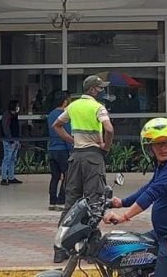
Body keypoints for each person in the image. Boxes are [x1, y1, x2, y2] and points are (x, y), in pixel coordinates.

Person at [104, 118, 167, 277]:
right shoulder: (163, 166)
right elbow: (148, 187)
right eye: (158, 144)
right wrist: (121, 202)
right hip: (160, 233)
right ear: (149, 148)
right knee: (127, 250)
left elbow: (152, 193)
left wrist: (124, 216)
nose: (163, 148)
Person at [53, 75, 116, 263]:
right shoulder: (98, 107)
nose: (102, 91)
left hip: (75, 158)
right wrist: (106, 147)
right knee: (94, 202)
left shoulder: (72, 106)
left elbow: (57, 125)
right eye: (100, 88)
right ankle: (91, 248)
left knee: (71, 203)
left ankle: (59, 248)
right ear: (92, 90)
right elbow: (109, 129)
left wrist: (72, 140)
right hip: (93, 158)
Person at [46, 91, 71, 211]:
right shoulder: (64, 115)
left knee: (55, 177)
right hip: (62, 149)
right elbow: (66, 133)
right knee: (67, 175)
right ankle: (61, 200)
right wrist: (71, 148)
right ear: (65, 102)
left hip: (52, 149)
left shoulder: (50, 114)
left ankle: (52, 201)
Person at [0, 100, 23, 186]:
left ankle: (11, 177)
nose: (18, 107)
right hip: (8, 141)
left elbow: (16, 127)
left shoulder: (15, 115)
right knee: (7, 159)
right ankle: (4, 178)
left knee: (13, 159)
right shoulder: (7, 115)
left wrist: (18, 140)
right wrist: (11, 140)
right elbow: (6, 128)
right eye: (17, 106)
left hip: (15, 139)